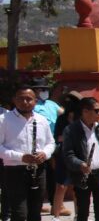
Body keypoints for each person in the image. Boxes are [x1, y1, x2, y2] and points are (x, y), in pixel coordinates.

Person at [0, 84, 56, 221]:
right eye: (21, 98)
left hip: (38, 170)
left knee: (35, 213)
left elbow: (51, 143)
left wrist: (45, 154)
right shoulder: (4, 120)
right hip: (15, 171)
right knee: (19, 213)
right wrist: (19, 157)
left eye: (29, 98)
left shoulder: (41, 120)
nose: (25, 102)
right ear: (14, 100)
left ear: (35, 100)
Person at [49, 91, 81, 221]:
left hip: (79, 156)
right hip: (63, 155)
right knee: (61, 186)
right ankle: (55, 217)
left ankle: (79, 215)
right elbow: (57, 137)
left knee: (78, 187)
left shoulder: (82, 119)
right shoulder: (61, 119)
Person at [31, 78, 63, 213]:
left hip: (54, 142)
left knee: (54, 174)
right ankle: (37, 203)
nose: (44, 92)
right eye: (41, 89)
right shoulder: (32, 105)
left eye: (46, 89)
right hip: (39, 144)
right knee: (39, 174)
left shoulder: (51, 104)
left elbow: (63, 113)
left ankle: (55, 205)